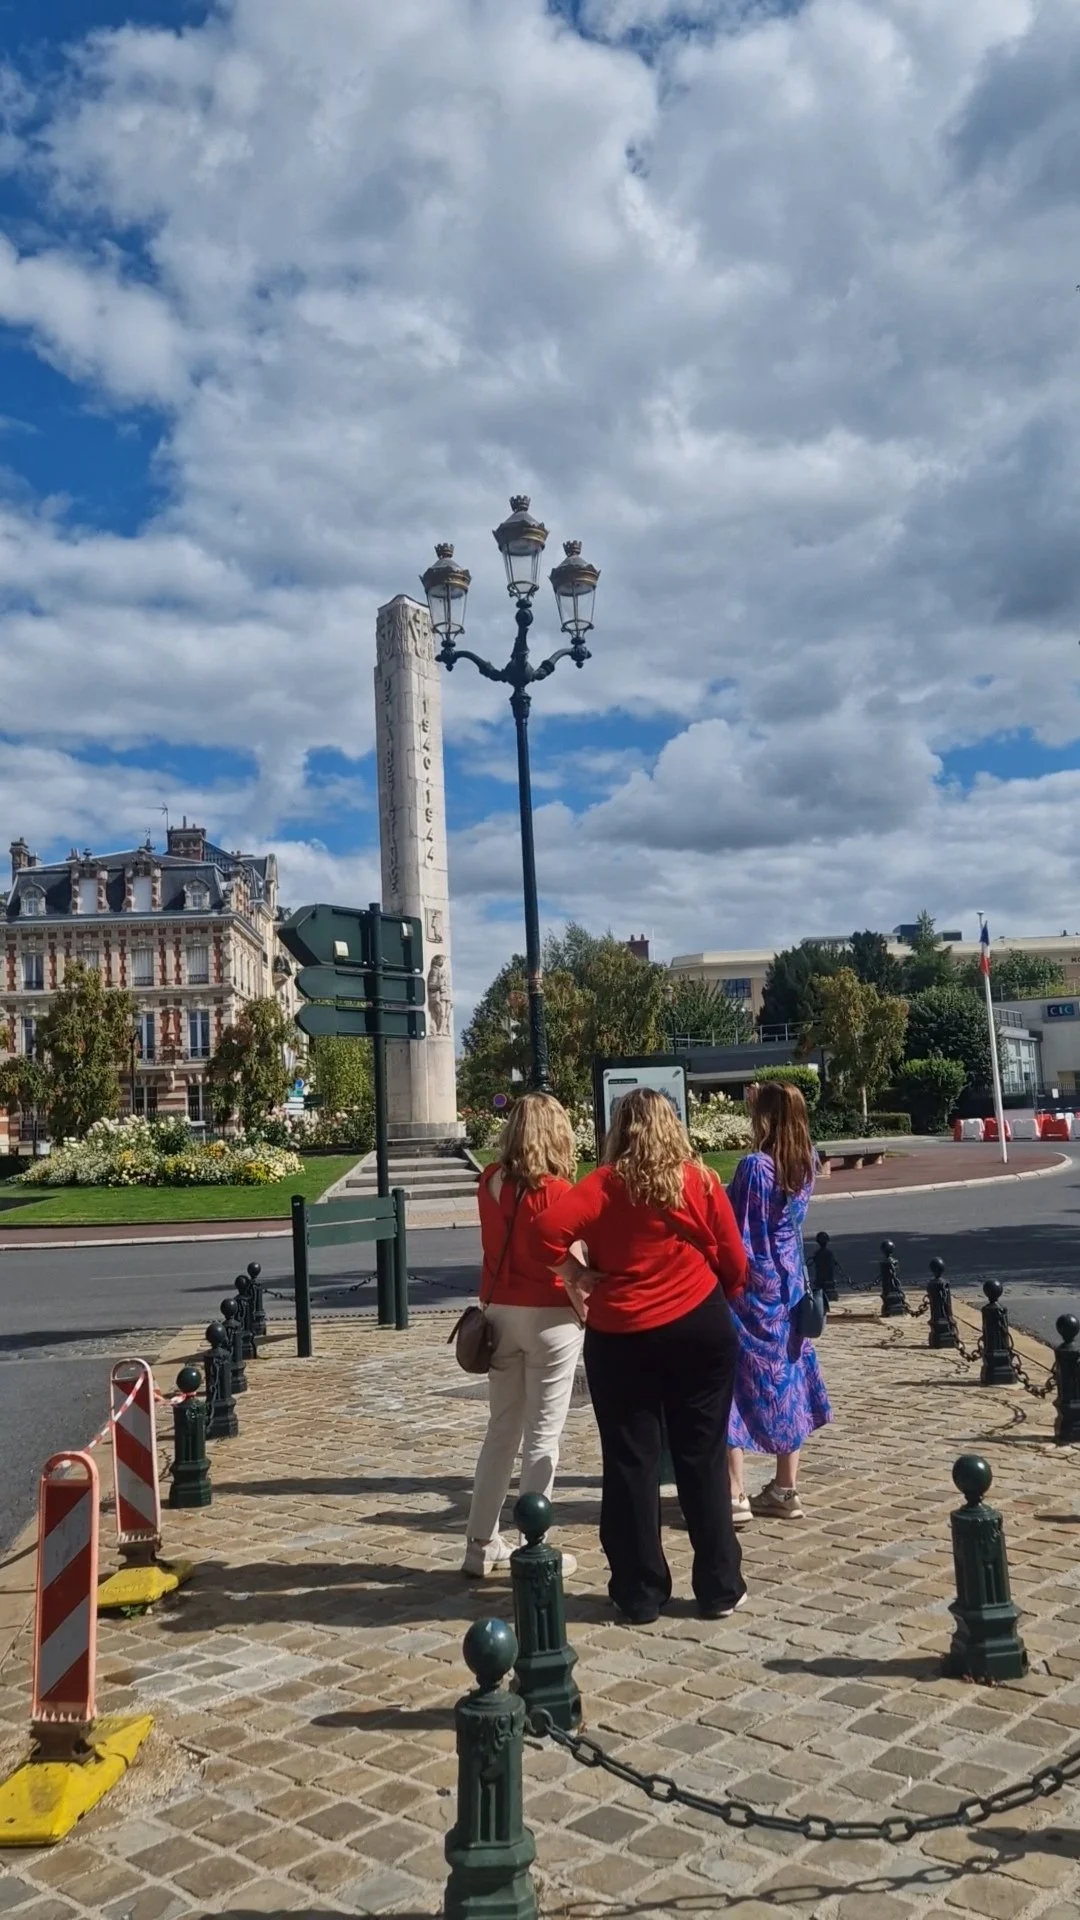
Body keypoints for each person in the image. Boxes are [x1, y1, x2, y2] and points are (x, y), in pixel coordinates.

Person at [532, 1088, 748, 1625]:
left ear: (618, 1129)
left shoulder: (604, 1185)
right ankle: (719, 1585)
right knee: (702, 1457)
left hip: (622, 1333)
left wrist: (577, 1276)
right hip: (698, 1324)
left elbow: (543, 1231)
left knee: (631, 1462)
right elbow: (736, 1264)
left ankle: (639, 1590)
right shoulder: (697, 1180)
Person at [462, 1093, 585, 1579]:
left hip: (499, 1313)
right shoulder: (560, 1193)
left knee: (501, 1432)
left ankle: (479, 1542)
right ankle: (534, 1544)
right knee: (543, 1436)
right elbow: (574, 1263)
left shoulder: (488, 1182)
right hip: (551, 1315)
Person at [727, 1081, 832, 1523]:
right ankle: (785, 1488)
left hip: (756, 1286)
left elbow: (741, 1234)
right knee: (789, 1378)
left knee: (732, 1382)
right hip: (792, 1286)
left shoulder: (756, 1167)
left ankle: (733, 1494)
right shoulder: (805, 1162)